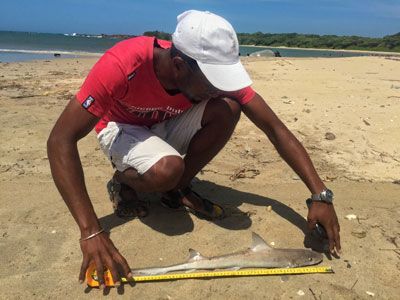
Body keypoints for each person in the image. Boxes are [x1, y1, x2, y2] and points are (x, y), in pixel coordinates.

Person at [47, 10, 341, 288]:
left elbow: (275, 129)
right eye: (213, 81)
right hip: (120, 128)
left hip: (164, 122)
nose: (218, 87)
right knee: (168, 169)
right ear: (178, 65)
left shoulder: (204, 75)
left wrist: (320, 194)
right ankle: (123, 180)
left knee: (227, 108)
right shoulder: (123, 64)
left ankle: (176, 188)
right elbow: (60, 139)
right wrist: (91, 231)